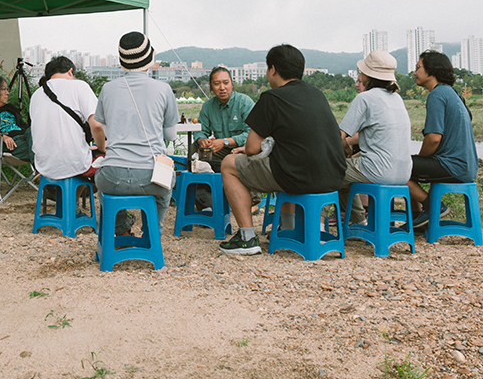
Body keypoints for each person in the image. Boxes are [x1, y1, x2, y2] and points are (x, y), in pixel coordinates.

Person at [219, 44, 346, 255]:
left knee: (228, 165)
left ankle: (247, 237)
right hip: (333, 176)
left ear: (273, 69)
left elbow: (251, 148)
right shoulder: (317, 94)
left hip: (298, 176)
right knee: (284, 159)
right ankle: (288, 229)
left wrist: (251, 149)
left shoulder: (272, 97)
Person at [94, 32, 180, 236]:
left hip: (113, 174)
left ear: (123, 61)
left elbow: (106, 131)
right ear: (149, 59)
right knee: (167, 185)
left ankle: (120, 232)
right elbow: (171, 136)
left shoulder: (107, 89)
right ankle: (152, 233)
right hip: (150, 176)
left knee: (103, 186)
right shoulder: (163, 89)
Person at [337, 51, 413, 223]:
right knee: (344, 175)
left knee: (331, 171)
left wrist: (347, 148)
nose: (359, 75)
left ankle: (320, 226)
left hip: (378, 171)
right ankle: (358, 222)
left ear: (368, 76)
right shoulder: (397, 98)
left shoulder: (365, 98)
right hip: (404, 172)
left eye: (361, 72)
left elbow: (340, 136)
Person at [408, 50, 478, 228]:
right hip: (466, 166)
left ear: (431, 70)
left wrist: (420, 159)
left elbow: (433, 139)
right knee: (408, 164)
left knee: (397, 166)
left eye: (418, 68)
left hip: (452, 166)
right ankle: (420, 218)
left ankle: (433, 207)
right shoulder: (452, 93)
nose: (414, 72)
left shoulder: (437, 95)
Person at [29, 56, 106, 181]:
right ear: (70, 71)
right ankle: (73, 198)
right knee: (105, 156)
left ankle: (62, 195)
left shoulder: (36, 95)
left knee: (83, 154)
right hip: (73, 163)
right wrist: (102, 147)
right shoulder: (79, 86)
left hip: (43, 164)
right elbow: (97, 125)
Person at [194, 67, 255, 208]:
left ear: (232, 84)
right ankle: (205, 203)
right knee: (196, 152)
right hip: (220, 150)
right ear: (211, 87)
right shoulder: (208, 106)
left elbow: (252, 133)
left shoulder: (245, 102)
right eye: (216, 84)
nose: (222, 87)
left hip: (241, 149)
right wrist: (202, 141)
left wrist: (226, 141)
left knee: (251, 152)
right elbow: (200, 131)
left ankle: (252, 201)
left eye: (225, 83)